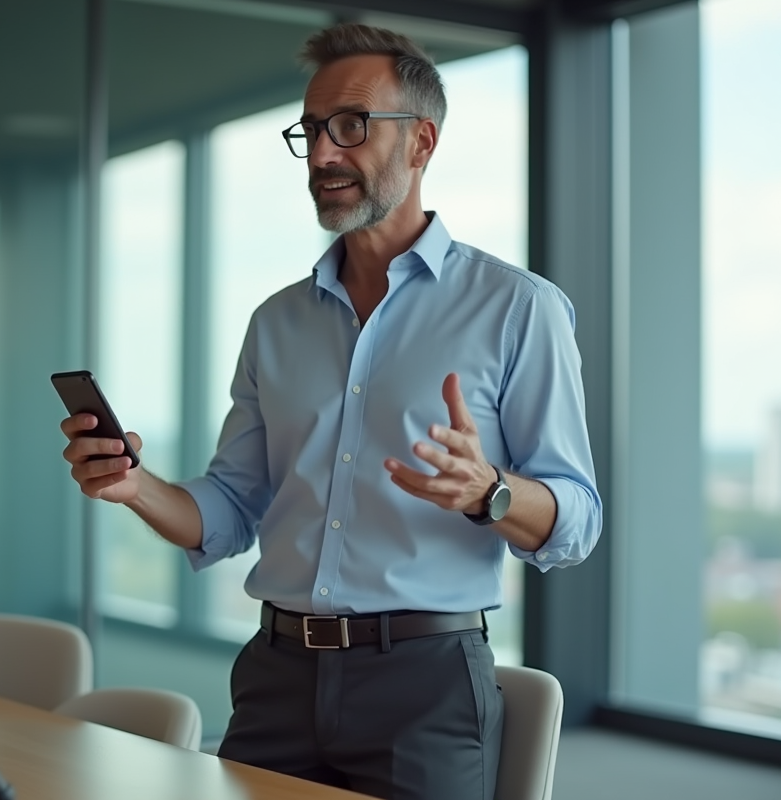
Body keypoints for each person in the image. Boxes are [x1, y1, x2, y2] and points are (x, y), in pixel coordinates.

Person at [61, 22, 601, 800]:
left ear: (421, 143)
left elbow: (577, 519)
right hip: (277, 676)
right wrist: (133, 485)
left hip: (426, 685)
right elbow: (229, 510)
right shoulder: (276, 322)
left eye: (351, 126)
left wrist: (492, 493)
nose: (321, 155)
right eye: (311, 130)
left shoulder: (518, 309)